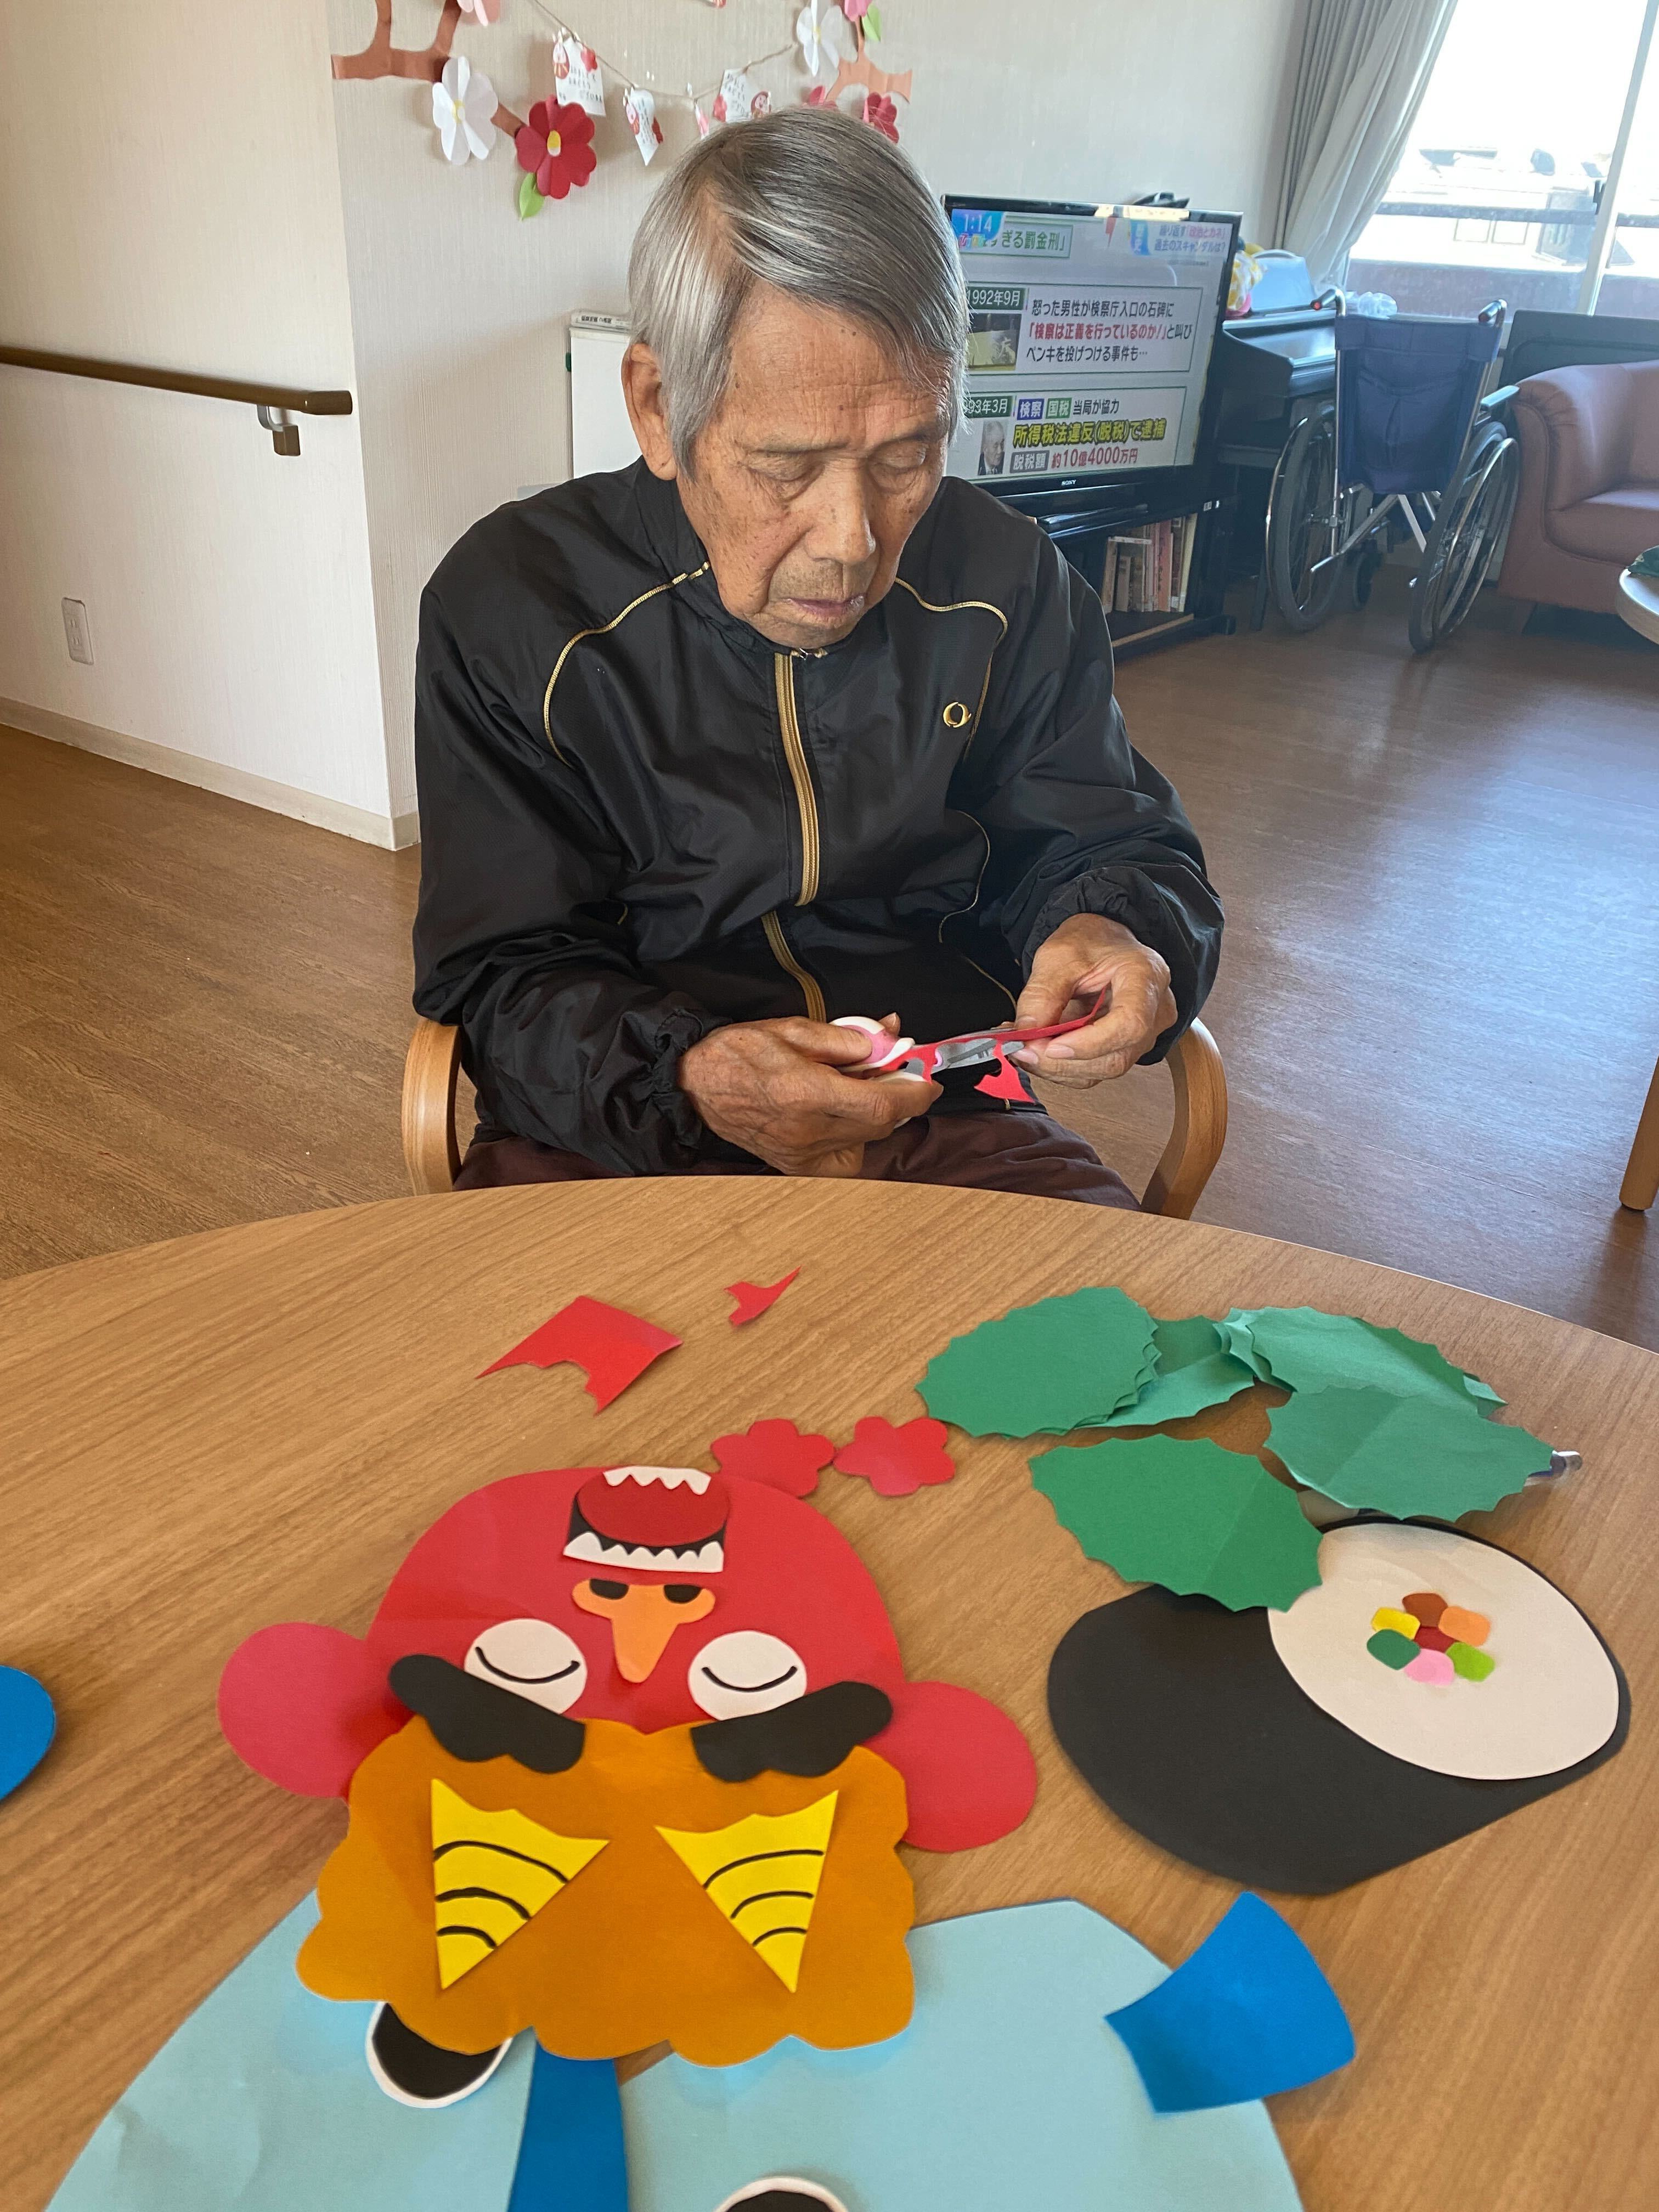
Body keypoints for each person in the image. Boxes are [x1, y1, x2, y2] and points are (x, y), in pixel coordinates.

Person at [412, 105, 1221, 1209]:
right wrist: (690, 1078)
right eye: (787, 466)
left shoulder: (1007, 579)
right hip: (618, 1127)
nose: (851, 543)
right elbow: (505, 974)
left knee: (1120, 1323)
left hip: (942, 1105)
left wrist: (1114, 927)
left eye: (907, 457)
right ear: (657, 407)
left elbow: (1108, 836)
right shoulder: (515, 605)